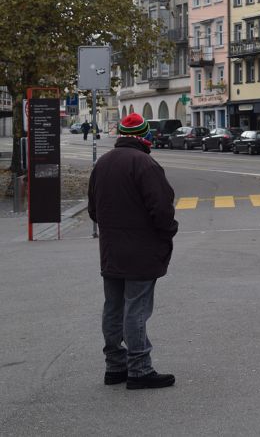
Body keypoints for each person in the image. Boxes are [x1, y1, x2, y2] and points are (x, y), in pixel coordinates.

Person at [87, 113, 178, 390]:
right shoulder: (145, 164)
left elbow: (93, 210)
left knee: (113, 308)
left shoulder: (102, 163)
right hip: (141, 250)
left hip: (111, 250)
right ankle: (139, 369)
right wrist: (167, 232)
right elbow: (161, 209)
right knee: (136, 309)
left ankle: (115, 366)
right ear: (144, 136)